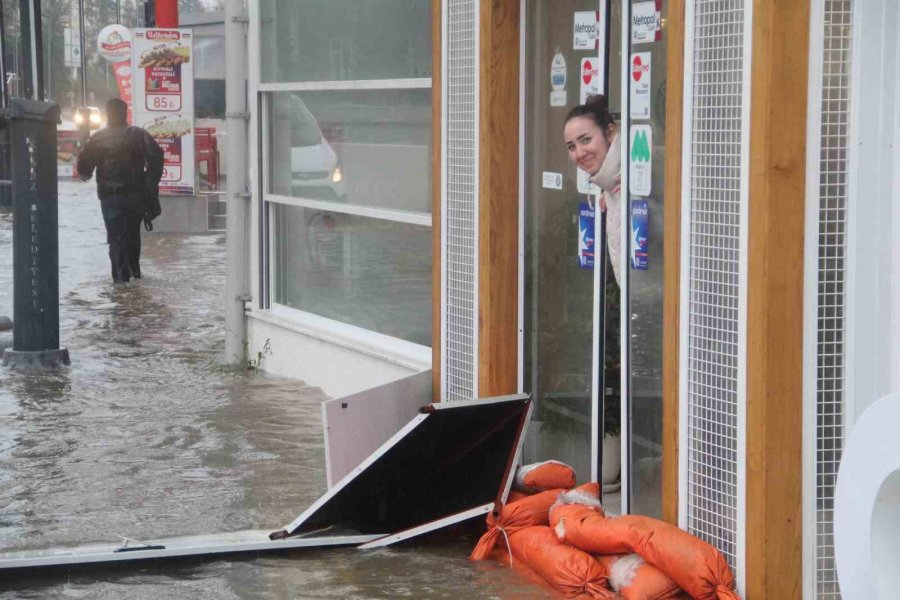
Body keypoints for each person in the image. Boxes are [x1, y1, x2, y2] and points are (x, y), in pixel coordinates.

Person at [77, 98, 164, 283]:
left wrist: (86, 174)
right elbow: (157, 157)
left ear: (107, 115)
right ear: (125, 113)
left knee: (116, 238)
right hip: (135, 195)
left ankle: (121, 281)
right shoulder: (138, 134)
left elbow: (84, 167)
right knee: (133, 234)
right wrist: (150, 182)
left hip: (110, 197)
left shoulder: (98, 138)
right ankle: (135, 274)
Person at [563, 94, 622, 284]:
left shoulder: (636, 181)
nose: (579, 153)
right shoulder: (611, 184)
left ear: (610, 132)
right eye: (572, 146)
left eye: (586, 140)